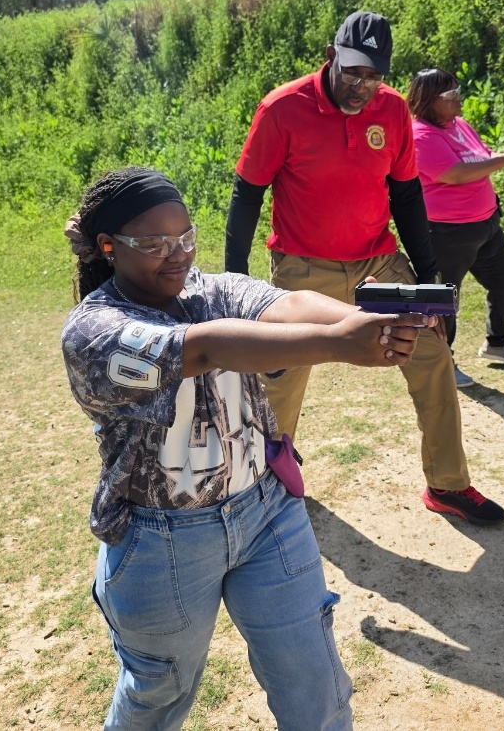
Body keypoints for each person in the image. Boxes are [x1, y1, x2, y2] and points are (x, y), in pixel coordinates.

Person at [62, 166, 434, 731]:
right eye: (155, 244)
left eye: (185, 237)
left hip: (267, 511)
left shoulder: (209, 290)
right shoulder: (93, 332)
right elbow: (205, 349)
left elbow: (286, 304)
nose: (177, 255)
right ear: (109, 246)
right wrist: (340, 342)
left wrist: (368, 321)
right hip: (162, 539)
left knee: (316, 685)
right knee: (159, 696)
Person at [224, 10, 504, 526]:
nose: (362, 86)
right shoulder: (282, 108)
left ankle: (447, 484)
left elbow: (407, 196)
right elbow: (247, 196)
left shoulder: (393, 109)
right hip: (303, 267)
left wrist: (429, 279)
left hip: (378, 262)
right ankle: (262, 484)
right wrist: (234, 282)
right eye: (352, 72)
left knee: (432, 355)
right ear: (330, 57)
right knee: (278, 378)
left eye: (373, 75)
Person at [406, 68, 504, 388]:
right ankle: (444, 362)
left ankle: (496, 344)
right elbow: (456, 173)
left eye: (458, 91)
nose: (459, 98)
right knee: (444, 300)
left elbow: (481, 158)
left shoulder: (460, 125)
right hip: (447, 234)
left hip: (486, 225)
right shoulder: (421, 135)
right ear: (428, 100)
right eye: (450, 95)